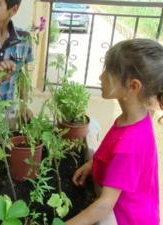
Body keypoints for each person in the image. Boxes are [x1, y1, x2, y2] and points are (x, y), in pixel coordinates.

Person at [66, 39, 162, 225]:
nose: (101, 77)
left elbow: (104, 206)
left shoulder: (129, 145)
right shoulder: (137, 115)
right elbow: (112, 150)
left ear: (133, 86)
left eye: (108, 72)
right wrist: (93, 164)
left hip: (126, 219)